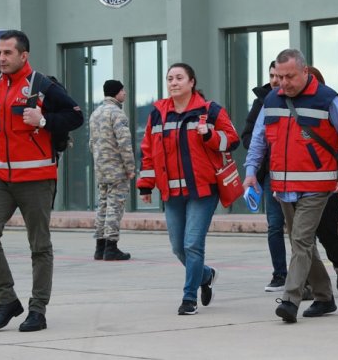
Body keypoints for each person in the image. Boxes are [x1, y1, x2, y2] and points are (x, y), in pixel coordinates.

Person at [0, 30, 83, 332]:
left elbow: (76, 116)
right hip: (0, 177)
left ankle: (38, 310)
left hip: (35, 177)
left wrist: (44, 120)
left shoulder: (43, 86)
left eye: (7, 53)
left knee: (39, 245)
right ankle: (7, 300)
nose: (1, 58)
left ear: (24, 55)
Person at [244, 49, 338, 323]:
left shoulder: (327, 99)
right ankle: (324, 297)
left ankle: (290, 299)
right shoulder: (272, 99)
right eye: (279, 76)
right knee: (303, 244)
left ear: (305, 71)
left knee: (300, 240)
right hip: (284, 186)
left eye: (289, 76)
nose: (283, 83)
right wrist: (250, 171)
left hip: (318, 185)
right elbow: (260, 139)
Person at [137, 63, 239, 316]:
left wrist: (210, 135)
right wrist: (146, 184)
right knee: (178, 247)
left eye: (179, 78)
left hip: (203, 191)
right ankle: (205, 275)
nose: (173, 82)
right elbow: (148, 150)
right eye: (170, 78)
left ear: (191, 82)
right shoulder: (158, 114)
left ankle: (189, 297)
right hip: (171, 193)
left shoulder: (209, 111)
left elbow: (233, 139)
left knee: (193, 244)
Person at [307, 65, 338, 297]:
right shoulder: (283, 105)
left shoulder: (331, 104)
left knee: (325, 228)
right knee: (302, 234)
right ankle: (307, 280)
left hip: (331, 178)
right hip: (298, 180)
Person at [241, 60, 287, 292]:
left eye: (279, 75)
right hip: (271, 174)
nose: (276, 80)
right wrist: (267, 147)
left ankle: (311, 274)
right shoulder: (262, 102)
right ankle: (280, 274)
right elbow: (248, 136)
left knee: (305, 229)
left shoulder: (301, 98)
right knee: (274, 226)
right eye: (272, 75)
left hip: (301, 173)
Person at [90, 79, 136, 261]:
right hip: (117, 169)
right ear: (116, 92)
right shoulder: (117, 114)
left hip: (101, 168)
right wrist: (130, 168)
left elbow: (91, 143)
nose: (125, 93)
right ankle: (111, 247)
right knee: (114, 207)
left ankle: (99, 247)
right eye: (123, 90)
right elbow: (124, 143)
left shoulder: (95, 113)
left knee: (102, 206)